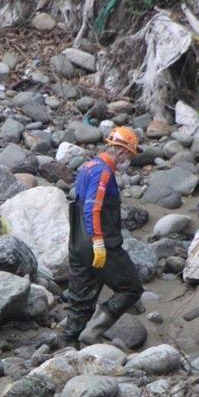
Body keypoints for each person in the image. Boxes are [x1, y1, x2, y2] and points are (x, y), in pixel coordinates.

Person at [63, 126, 145, 345]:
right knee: (131, 288)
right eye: (129, 155)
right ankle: (92, 334)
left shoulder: (87, 167)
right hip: (99, 242)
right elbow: (92, 207)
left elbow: (78, 203)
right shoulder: (104, 171)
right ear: (121, 151)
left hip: (77, 243)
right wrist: (98, 242)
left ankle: (68, 345)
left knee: (80, 300)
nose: (128, 161)